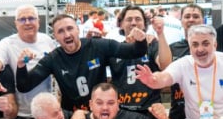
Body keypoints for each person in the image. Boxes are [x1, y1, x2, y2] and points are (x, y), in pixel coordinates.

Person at [15, 13, 148, 113]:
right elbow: (24, 86)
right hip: (74, 118)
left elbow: (135, 52)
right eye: (60, 31)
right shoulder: (53, 58)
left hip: (101, 113)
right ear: (55, 36)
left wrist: (141, 40)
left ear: (78, 30)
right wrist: (21, 66)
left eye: (70, 28)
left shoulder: (98, 45)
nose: (67, 35)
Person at [105, 5, 171, 119]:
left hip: (150, 113)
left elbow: (165, 65)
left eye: (138, 19)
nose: (134, 22)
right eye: (129, 19)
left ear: (144, 24)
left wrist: (160, 34)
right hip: (123, 115)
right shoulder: (114, 48)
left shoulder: (152, 44)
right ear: (121, 24)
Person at [0, 5, 55, 119]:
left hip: (45, 114)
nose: (27, 23)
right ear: (16, 24)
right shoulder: (7, 44)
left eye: (31, 18)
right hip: (20, 116)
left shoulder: (47, 41)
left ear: (38, 22)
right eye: (22, 19)